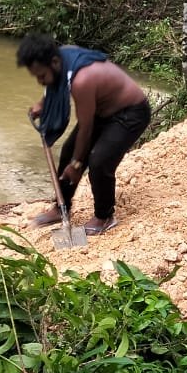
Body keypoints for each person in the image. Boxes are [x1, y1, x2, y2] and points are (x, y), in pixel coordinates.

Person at [19, 34, 151, 236]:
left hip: (130, 114)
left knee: (99, 162)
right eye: (36, 77)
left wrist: (77, 165)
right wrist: (42, 104)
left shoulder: (82, 80)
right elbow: (55, 84)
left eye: (42, 76)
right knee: (68, 151)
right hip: (102, 110)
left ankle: (104, 216)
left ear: (54, 63)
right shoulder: (61, 58)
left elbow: (86, 129)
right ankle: (61, 207)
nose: (40, 81)